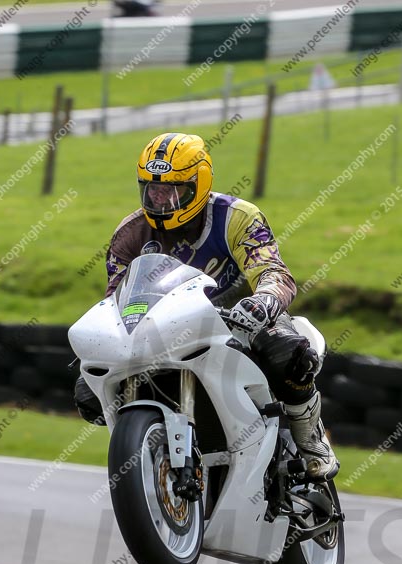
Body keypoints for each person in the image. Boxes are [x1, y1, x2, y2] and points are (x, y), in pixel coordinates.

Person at [75, 132, 338, 480]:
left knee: (287, 353)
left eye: (174, 190)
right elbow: (117, 299)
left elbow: (272, 271)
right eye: (153, 190)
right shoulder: (130, 234)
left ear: (199, 185)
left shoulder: (237, 217)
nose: (161, 200)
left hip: (241, 320)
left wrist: (264, 301)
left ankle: (310, 438)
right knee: (88, 391)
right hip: (167, 331)